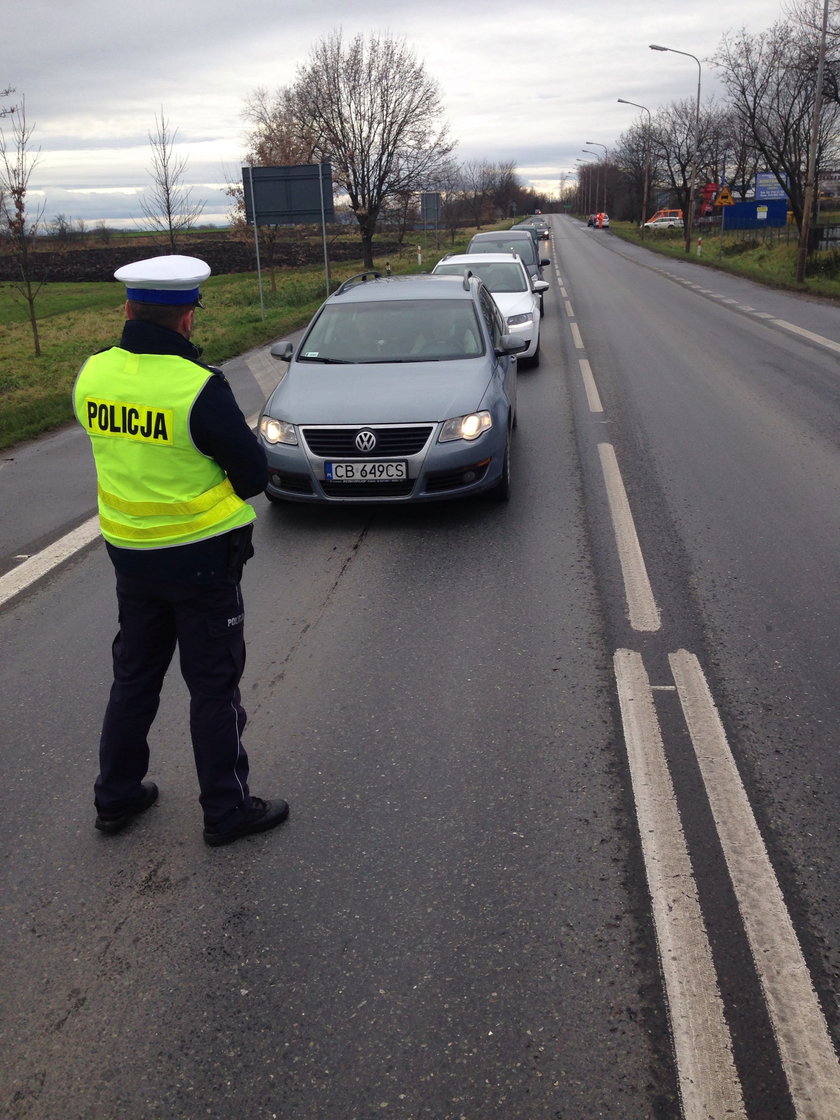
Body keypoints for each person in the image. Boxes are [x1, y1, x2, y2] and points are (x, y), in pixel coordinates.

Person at [73, 254, 288, 847]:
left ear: (127, 309)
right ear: (188, 319)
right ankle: (227, 810)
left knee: (134, 679)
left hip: (129, 556)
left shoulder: (92, 375)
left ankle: (116, 798)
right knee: (213, 687)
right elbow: (251, 476)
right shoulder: (198, 388)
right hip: (200, 561)